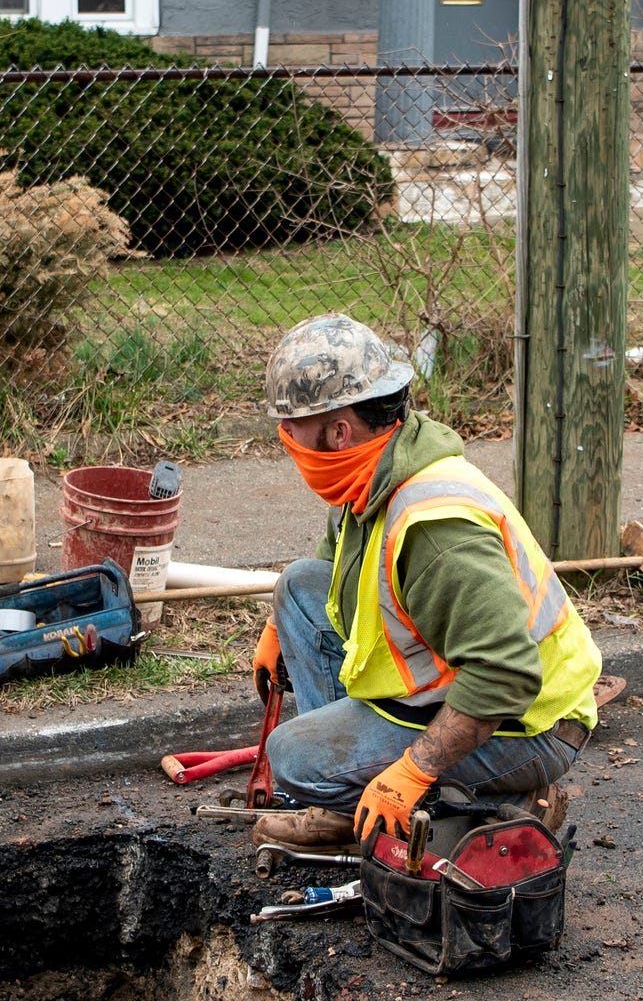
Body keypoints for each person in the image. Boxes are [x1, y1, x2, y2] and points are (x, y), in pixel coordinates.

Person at [249, 314, 606, 849]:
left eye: (291, 427)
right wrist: (282, 626)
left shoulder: (437, 530)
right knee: (299, 587)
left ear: (338, 430)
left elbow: (505, 674)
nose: (286, 438)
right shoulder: (368, 471)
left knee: (295, 758)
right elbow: (335, 562)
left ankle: (497, 807)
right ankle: (349, 802)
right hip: (453, 685)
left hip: (527, 726)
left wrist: (414, 771)